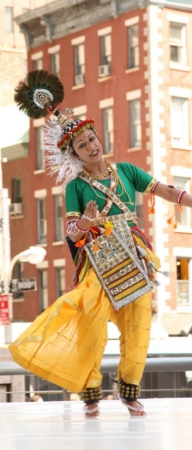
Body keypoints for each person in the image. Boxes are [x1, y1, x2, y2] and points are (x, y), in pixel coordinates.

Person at [9, 70, 192, 417]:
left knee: (138, 326)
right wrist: (87, 224)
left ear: (98, 136)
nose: (91, 146)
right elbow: (73, 229)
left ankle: (129, 391)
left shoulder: (127, 171)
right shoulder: (75, 186)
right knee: (90, 326)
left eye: (92, 138)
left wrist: (189, 200)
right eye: (82, 145)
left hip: (133, 257)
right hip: (96, 261)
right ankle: (90, 392)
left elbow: (165, 190)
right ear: (74, 154)